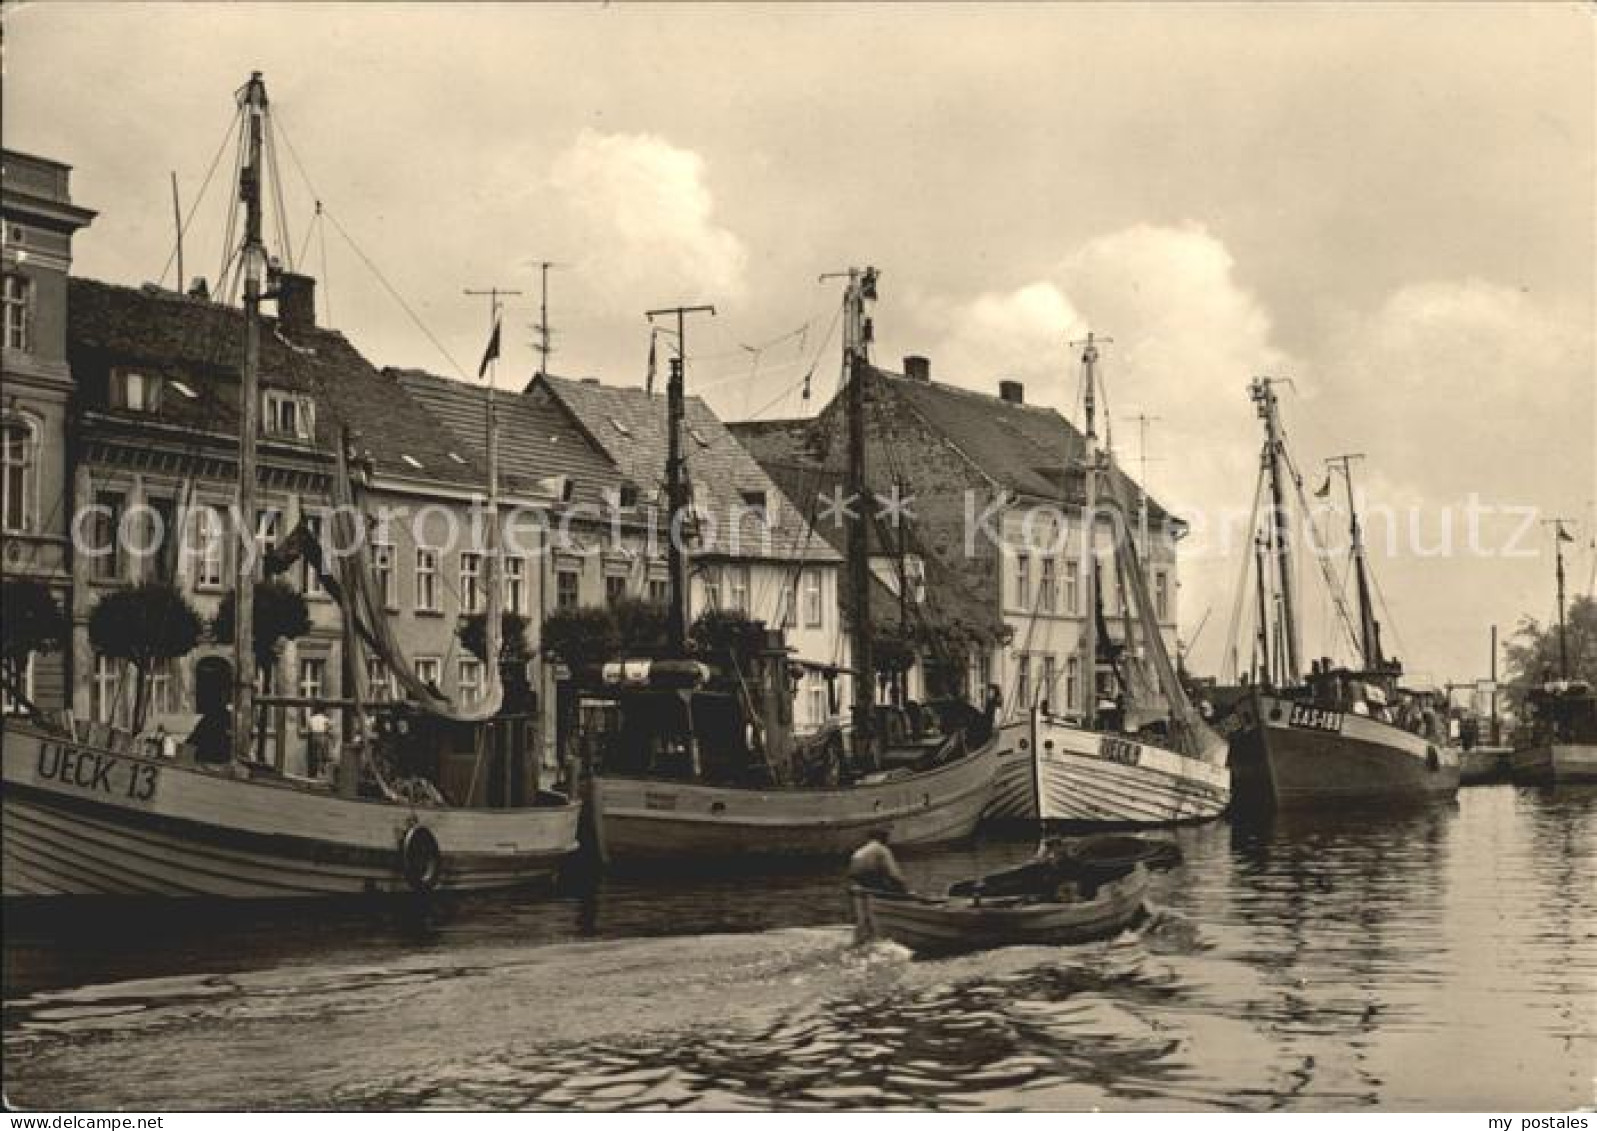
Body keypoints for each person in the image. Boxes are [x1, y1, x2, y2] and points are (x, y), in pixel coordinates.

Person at [848, 827, 909, 894]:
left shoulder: (862, 848)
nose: (888, 839)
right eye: (886, 836)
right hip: (869, 876)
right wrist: (905, 888)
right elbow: (893, 873)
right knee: (893, 886)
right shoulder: (882, 849)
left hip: (856, 876)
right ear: (882, 837)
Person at [306, 709, 332, 777]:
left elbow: (310, 729)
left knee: (314, 754)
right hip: (322, 735)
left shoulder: (311, 719)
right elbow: (328, 728)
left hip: (314, 736)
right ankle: (322, 771)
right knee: (323, 753)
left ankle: (314, 772)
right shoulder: (325, 718)